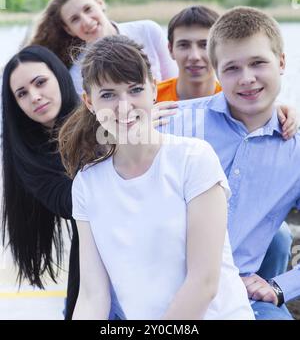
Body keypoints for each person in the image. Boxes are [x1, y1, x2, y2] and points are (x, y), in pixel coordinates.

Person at [58, 35, 254, 320]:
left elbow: (204, 283)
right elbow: (92, 294)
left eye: (135, 89)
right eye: (108, 95)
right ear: (89, 102)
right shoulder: (87, 184)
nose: (124, 107)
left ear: (153, 90)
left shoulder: (193, 159)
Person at [160, 6, 300, 319]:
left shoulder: (295, 150)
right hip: (158, 288)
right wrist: (128, 127)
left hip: (237, 295)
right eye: (233, 68)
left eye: (258, 63)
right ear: (217, 71)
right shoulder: (173, 122)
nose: (247, 79)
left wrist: (281, 287)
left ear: (281, 62)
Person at [2, 45, 79, 320]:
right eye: (22, 94)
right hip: (91, 267)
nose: (34, 97)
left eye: (40, 82)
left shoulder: (102, 119)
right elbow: (68, 203)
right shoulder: (27, 156)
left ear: (59, 76)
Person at [28, 0, 177, 95]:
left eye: (88, 9)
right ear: (69, 30)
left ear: (100, 3)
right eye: (75, 19)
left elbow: (175, 82)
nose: (86, 21)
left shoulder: (148, 31)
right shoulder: (77, 73)